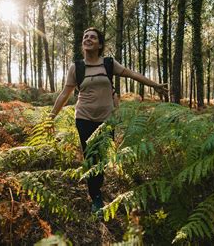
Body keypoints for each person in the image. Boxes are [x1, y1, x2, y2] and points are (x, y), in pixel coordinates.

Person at [49, 27, 168, 213]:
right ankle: (95, 195)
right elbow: (65, 94)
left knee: (102, 158)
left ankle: (97, 186)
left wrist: (155, 85)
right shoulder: (76, 67)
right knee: (91, 156)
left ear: (100, 44)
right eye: (85, 36)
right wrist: (51, 117)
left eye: (93, 37)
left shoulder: (108, 64)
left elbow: (132, 74)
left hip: (107, 119)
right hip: (84, 117)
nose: (88, 39)